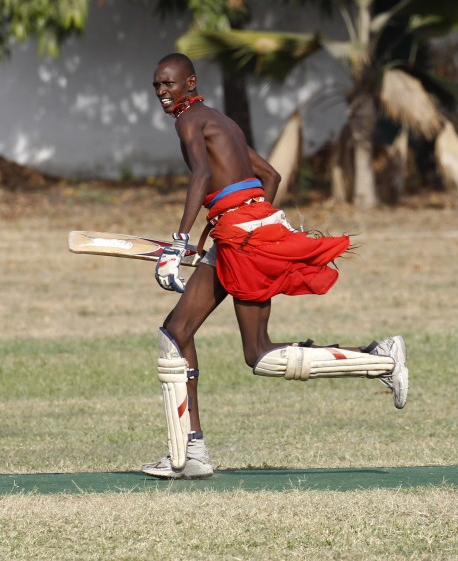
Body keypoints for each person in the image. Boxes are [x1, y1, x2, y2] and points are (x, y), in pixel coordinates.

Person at [142, 53, 409, 480]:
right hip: (241, 234)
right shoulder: (223, 123)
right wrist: (243, 221)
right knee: (175, 334)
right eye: (156, 85)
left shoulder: (188, 120)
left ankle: (380, 358)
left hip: (242, 237)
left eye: (168, 84)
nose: (162, 93)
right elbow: (270, 177)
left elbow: (200, 177)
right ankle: (189, 453)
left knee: (260, 355)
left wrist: (179, 241)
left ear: (190, 83)